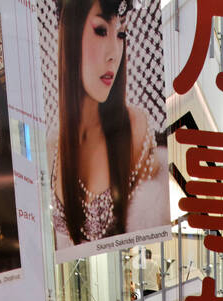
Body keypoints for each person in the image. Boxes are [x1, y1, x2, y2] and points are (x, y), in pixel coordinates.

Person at [49, 0, 167, 253]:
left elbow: (149, 242)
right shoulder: (52, 146)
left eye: (121, 34)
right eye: (101, 31)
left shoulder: (135, 128)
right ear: (70, 35)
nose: (114, 52)